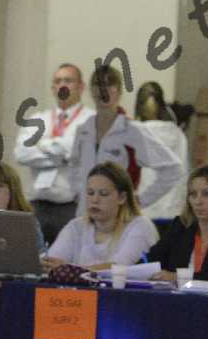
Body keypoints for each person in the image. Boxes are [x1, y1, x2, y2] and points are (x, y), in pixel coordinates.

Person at [67, 65, 183, 217]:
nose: (104, 90)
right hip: (85, 217)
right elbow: (73, 164)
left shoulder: (132, 131)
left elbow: (173, 168)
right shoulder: (83, 130)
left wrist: (140, 200)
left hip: (119, 220)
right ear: (91, 91)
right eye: (98, 84)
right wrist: (77, 192)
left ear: (119, 91)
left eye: (110, 84)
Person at [13, 63, 94, 243]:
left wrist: (41, 144)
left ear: (81, 87)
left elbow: (76, 149)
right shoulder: (38, 119)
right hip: (37, 205)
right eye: (58, 81)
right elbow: (21, 153)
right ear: (52, 88)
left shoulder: (91, 119)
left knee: (67, 256)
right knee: (31, 254)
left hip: (72, 206)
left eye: (68, 81)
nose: (62, 85)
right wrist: (62, 157)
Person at [43, 162, 159, 270]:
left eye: (103, 194)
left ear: (122, 198)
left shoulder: (141, 225)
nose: (95, 200)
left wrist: (68, 270)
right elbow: (52, 262)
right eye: (90, 193)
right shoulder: (76, 226)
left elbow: (119, 267)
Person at [134, 81, 190, 220]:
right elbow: (185, 173)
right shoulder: (178, 135)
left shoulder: (134, 135)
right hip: (174, 212)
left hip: (144, 213)